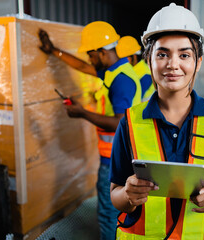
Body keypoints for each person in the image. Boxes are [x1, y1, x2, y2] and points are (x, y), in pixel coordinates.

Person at [109, 3, 204, 239]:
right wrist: (128, 195)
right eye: (162, 54)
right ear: (148, 60)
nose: (173, 64)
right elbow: (115, 194)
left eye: (184, 54)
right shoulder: (129, 123)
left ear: (199, 62)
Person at [38, 21, 142, 240]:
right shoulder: (115, 71)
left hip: (116, 159)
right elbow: (83, 67)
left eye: (91, 55)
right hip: (119, 155)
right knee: (118, 210)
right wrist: (53, 50)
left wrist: (82, 113)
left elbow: (119, 122)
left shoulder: (121, 81)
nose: (89, 59)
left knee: (107, 213)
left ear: (102, 52)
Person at [116, 36, 155, 101]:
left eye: (125, 57)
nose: (122, 61)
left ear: (134, 56)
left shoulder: (145, 73)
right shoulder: (129, 70)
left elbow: (134, 97)